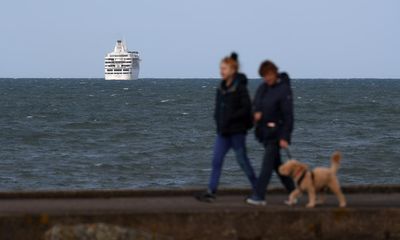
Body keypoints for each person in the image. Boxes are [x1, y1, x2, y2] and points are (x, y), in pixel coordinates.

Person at [196, 53, 257, 202]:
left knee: (243, 161)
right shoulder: (220, 88)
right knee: (216, 160)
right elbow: (218, 109)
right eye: (220, 68)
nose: (221, 71)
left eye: (224, 68)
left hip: (237, 132)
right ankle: (211, 191)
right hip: (223, 132)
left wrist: (232, 118)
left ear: (233, 70)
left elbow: (246, 108)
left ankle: (257, 189)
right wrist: (218, 121)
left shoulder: (240, 88)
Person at [246, 60, 295, 206]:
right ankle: (293, 192)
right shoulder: (263, 88)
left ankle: (259, 196)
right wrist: (256, 113)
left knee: (266, 166)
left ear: (274, 72)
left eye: (268, 75)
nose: (267, 78)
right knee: (277, 166)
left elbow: (288, 116)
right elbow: (256, 104)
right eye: (264, 76)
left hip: (277, 134)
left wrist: (285, 137)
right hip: (264, 133)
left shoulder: (284, 90)